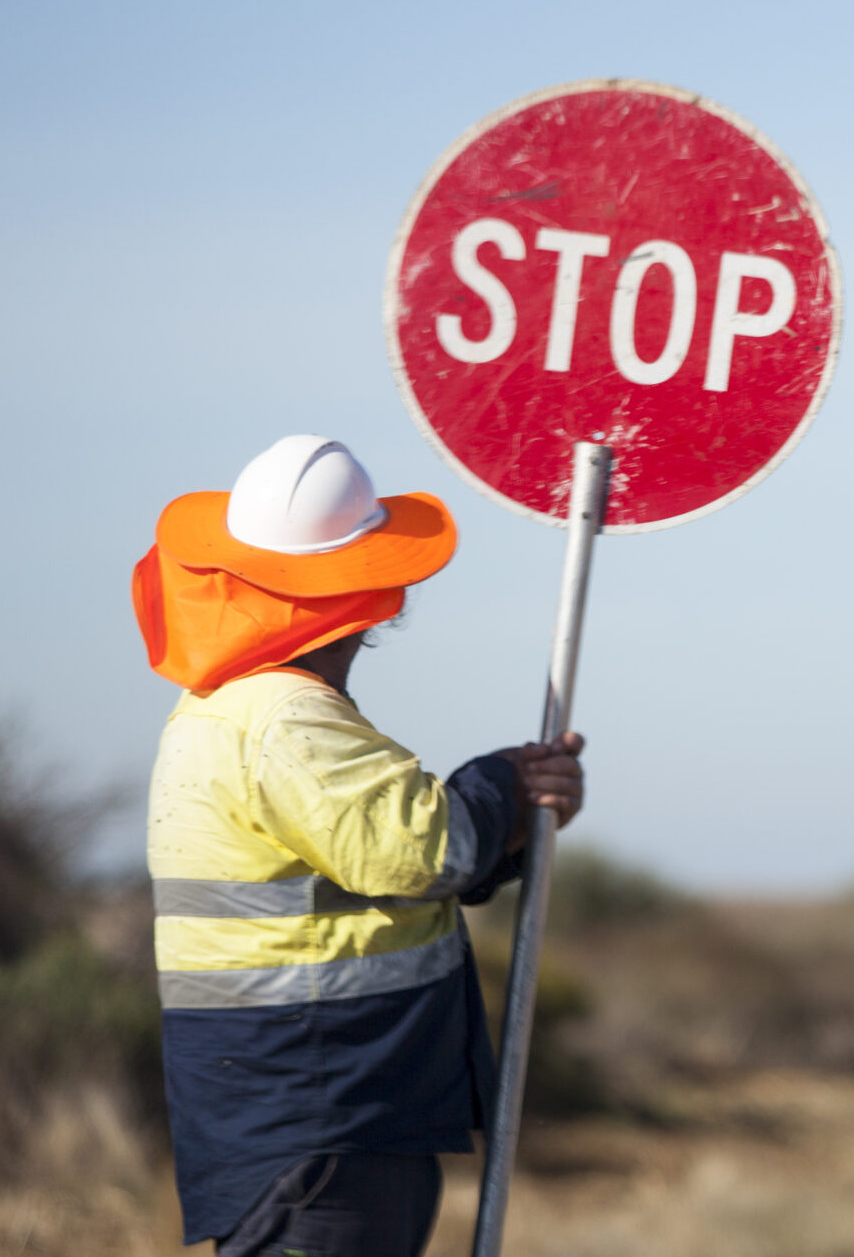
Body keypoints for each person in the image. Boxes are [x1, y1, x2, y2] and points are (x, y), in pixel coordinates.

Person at [132, 435, 584, 1257]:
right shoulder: (286, 720)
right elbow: (424, 853)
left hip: (295, 1110)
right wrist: (507, 784)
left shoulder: (224, 710)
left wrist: (516, 823)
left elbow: (378, 873)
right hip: (322, 1111)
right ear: (371, 590)